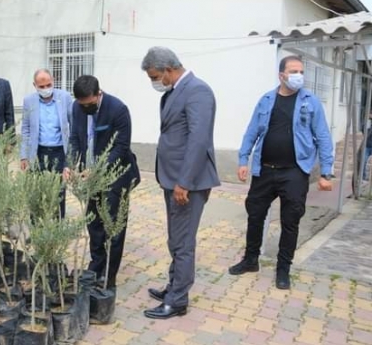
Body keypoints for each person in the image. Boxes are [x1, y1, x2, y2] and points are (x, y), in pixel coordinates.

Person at [229, 55, 333, 290]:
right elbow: (251, 130)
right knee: (255, 215)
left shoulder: (310, 101)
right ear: (281, 75)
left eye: (301, 72)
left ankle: (283, 269)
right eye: (294, 71)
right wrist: (243, 159)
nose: (299, 76)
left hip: (294, 172)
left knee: (290, 221)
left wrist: (326, 173)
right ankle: (250, 260)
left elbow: (323, 137)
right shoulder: (266, 100)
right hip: (264, 171)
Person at [141, 46, 220, 319]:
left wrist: (184, 182)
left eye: (155, 76)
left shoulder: (198, 91)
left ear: (169, 70)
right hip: (172, 177)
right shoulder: (175, 92)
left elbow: (198, 141)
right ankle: (174, 286)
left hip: (188, 183)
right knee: (175, 238)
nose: (154, 81)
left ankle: (177, 301)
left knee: (183, 242)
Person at [65, 75, 140, 289]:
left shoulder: (117, 109)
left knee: (113, 226)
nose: (86, 108)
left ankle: (109, 276)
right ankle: (96, 265)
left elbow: (121, 147)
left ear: (99, 94)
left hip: (115, 176)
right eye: (82, 104)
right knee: (94, 222)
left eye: (90, 104)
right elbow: (75, 139)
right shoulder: (76, 108)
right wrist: (71, 164)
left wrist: (97, 169)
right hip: (89, 177)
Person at [20, 68, 72, 218]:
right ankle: (36, 228)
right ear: (34, 85)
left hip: (59, 151)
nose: (45, 89)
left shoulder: (65, 97)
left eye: (48, 85)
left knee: (59, 191)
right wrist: (24, 155)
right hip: (38, 152)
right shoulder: (29, 101)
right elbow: (26, 129)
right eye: (41, 87)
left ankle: (57, 228)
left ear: (53, 81)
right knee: (36, 190)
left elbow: (73, 124)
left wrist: (71, 157)